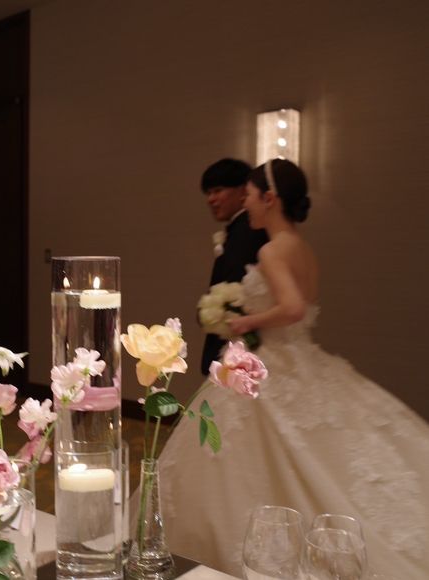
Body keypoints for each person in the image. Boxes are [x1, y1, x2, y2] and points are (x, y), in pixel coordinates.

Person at [158, 158, 429, 578]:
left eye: (250, 196)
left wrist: (246, 321)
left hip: (273, 362)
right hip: (304, 356)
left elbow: (293, 308)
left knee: (258, 450)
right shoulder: (303, 248)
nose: (247, 204)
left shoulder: (271, 250)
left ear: (269, 198)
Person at [199, 158, 268, 375]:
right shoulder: (238, 229)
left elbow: (238, 283)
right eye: (208, 193)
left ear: (242, 190)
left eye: (218, 191)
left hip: (239, 347)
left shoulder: (247, 231)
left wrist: (211, 312)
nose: (211, 199)